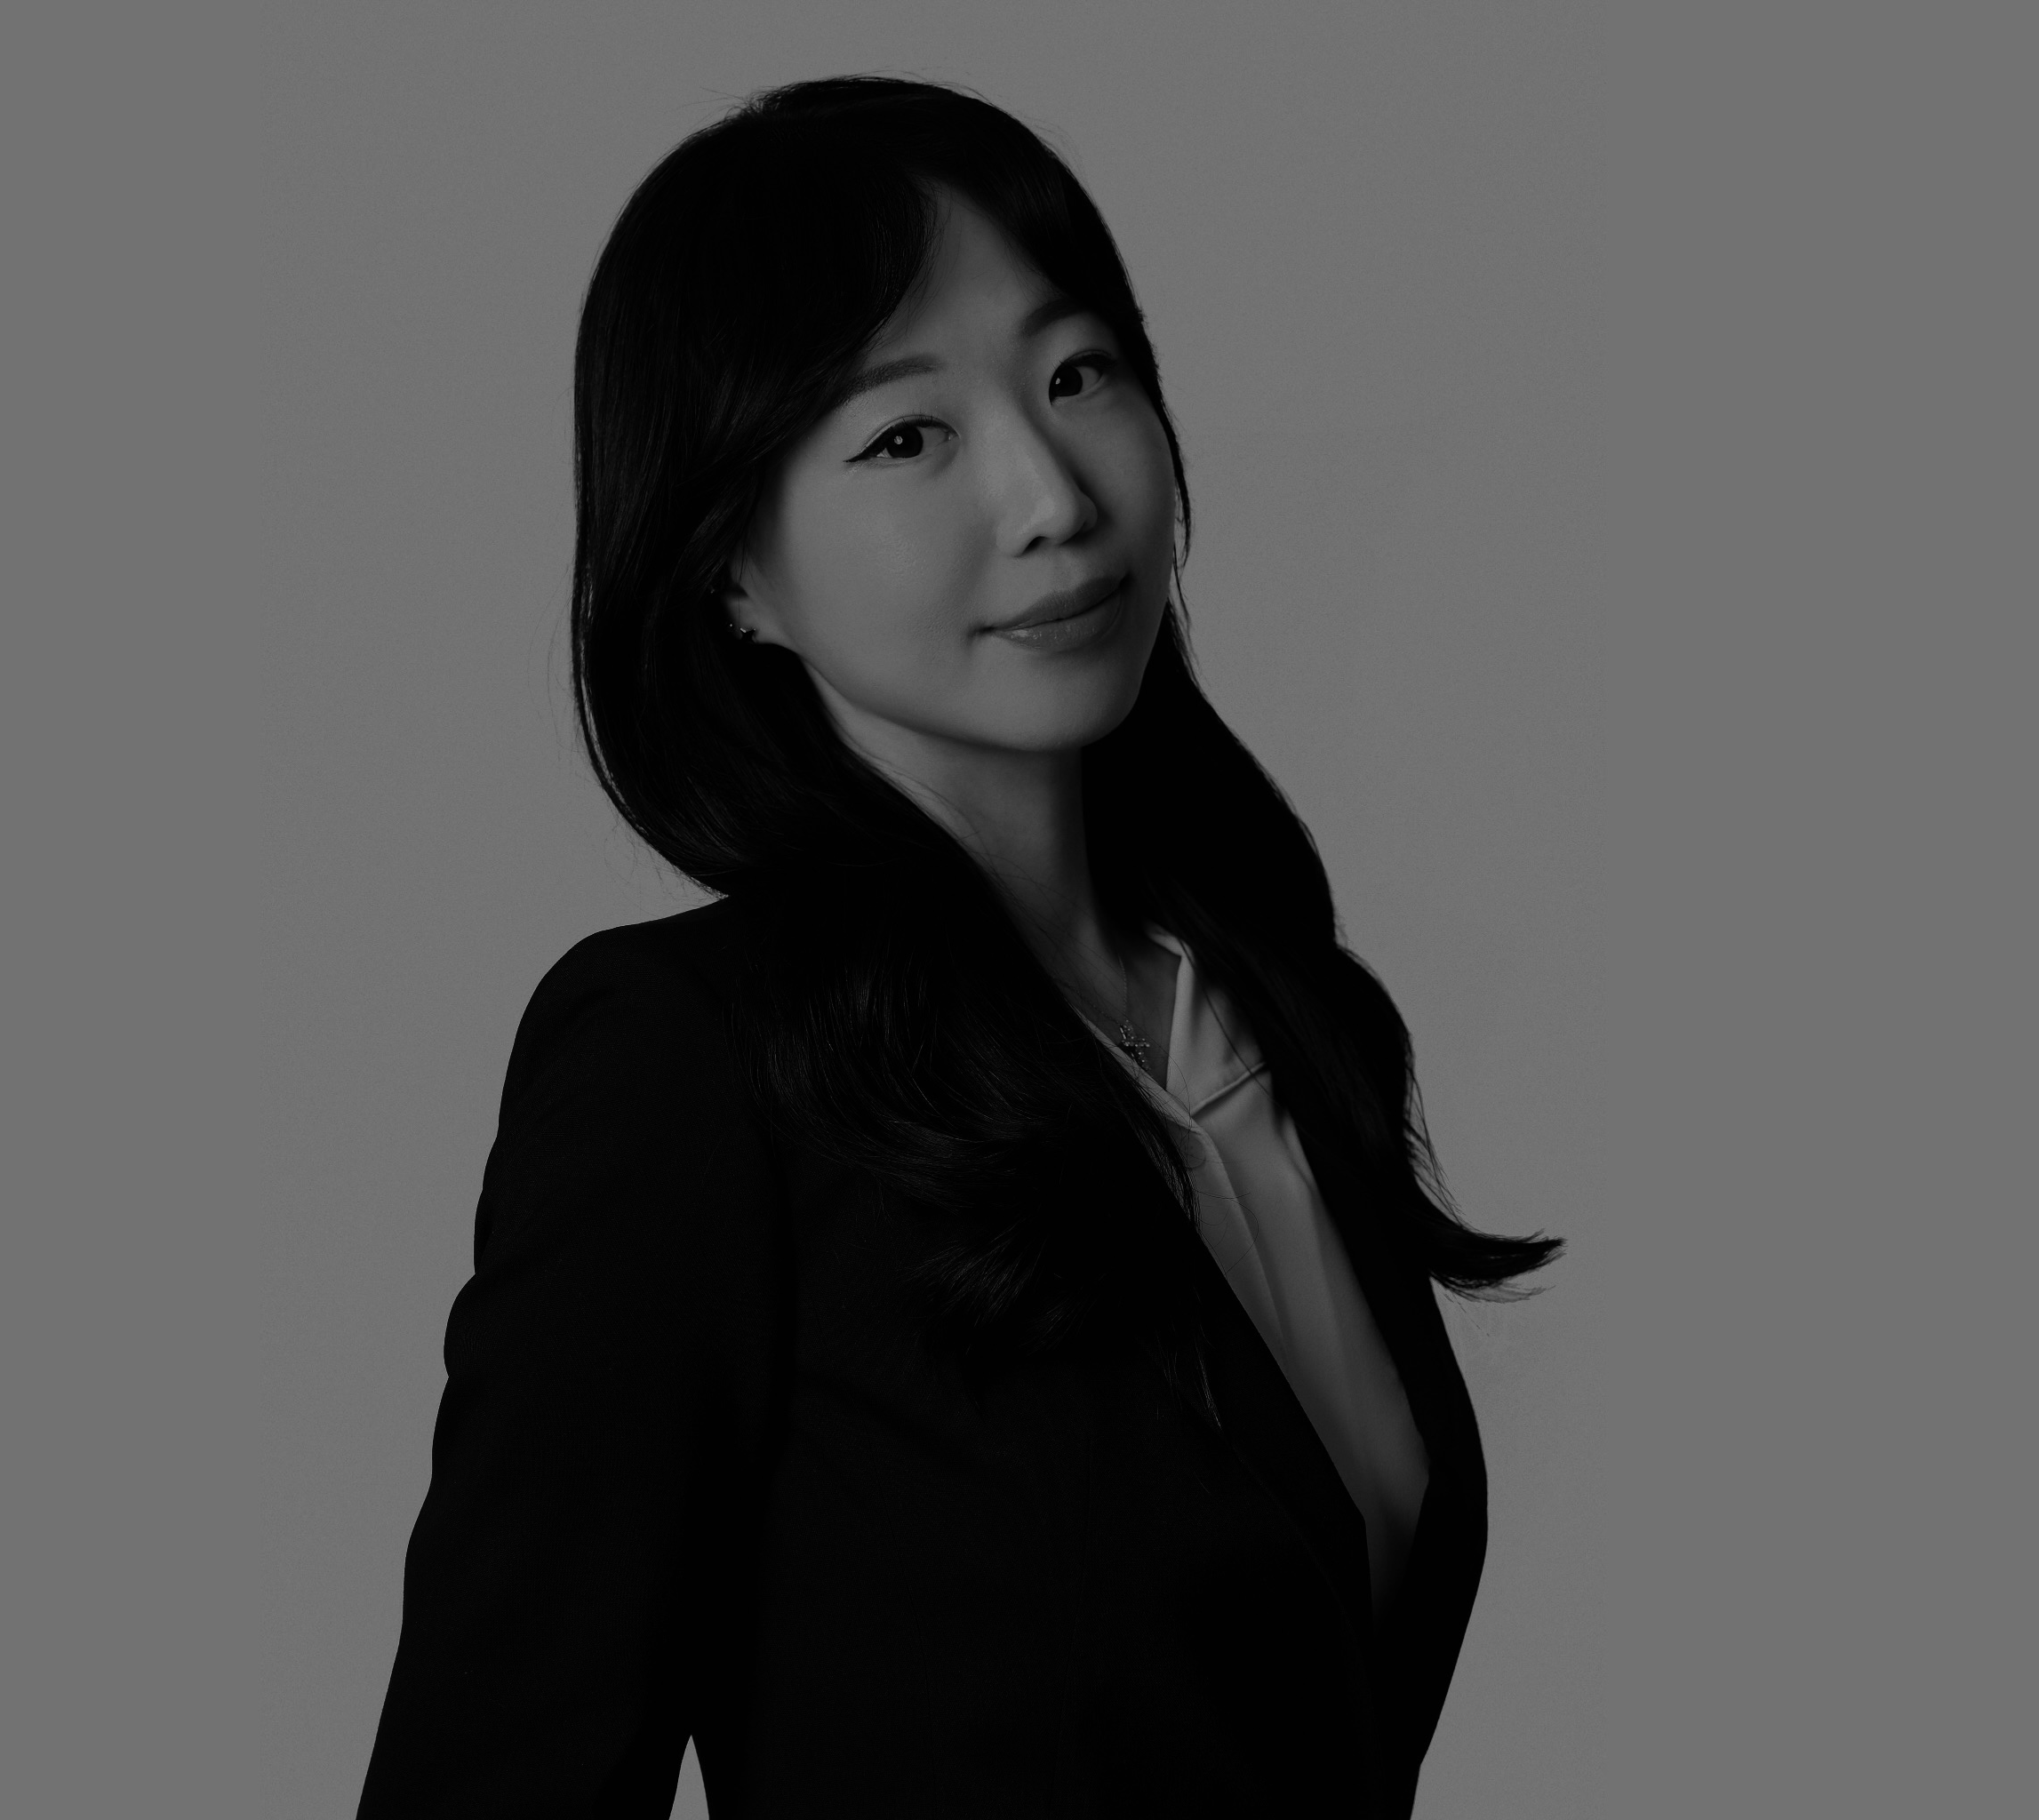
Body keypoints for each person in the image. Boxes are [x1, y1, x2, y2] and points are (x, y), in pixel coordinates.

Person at [357, 76, 1560, 1819]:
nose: (1051, 495)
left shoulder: (1278, 1015)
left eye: (1077, 374)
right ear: (732, 572)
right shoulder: (687, 1067)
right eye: (905, 436)